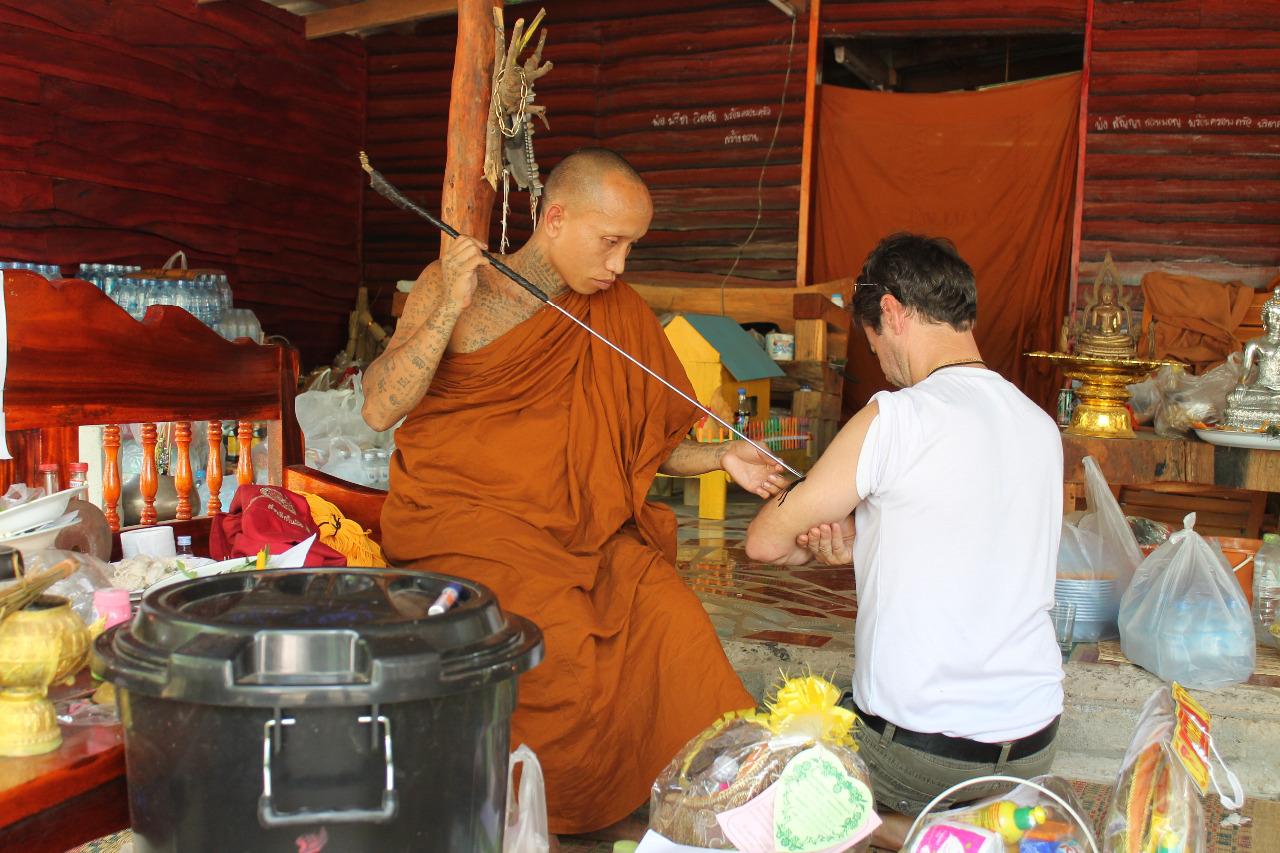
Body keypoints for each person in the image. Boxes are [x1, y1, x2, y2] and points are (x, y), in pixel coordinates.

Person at [362, 148, 784, 841]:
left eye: (632, 246)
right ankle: (544, 819)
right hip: (466, 527)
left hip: (581, 531)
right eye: (610, 241)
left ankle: (726, 801)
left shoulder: (615, 311)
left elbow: (640, 443)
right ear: (555, 219)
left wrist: (722, 458)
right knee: (558, 646)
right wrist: (446, 312)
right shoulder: (454, 285)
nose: (620, 263)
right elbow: (380, 406)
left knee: (669, 612)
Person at [745, 232, 1064, 850]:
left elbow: (763, 541)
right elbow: (957, 528)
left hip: (923, 758)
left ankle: (921, 832)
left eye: (874, 345)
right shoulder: (1039, 425)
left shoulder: (898, 416)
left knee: (768, 753)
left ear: (891, 312)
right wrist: (857, 533)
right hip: (1033, 744)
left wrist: (812, 522)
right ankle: (989, 823)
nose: (882, 364)